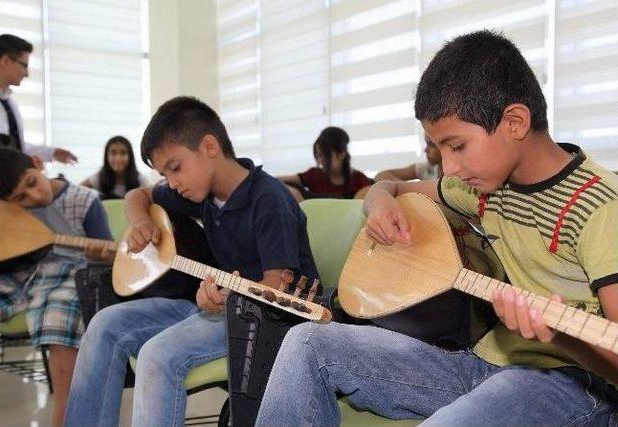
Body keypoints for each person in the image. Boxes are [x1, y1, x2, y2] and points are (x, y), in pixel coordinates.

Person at [255, 30, 618, 426]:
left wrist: (559, 334)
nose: (449, 167)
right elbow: (390, 185)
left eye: (457, 146)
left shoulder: (600, 208)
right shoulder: (486, 188)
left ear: (514, 121)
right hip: (485, 360)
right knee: (308, 342)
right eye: (439, 148)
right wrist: (379, 203)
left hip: (574, 383)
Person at [65, 96, 319, 427]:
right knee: (103, 325)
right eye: (165, 174)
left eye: (175, 168)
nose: (172, 183)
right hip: (213, 308)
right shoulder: (205, 194)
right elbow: (137, 195)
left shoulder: (270, 201)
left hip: (264, 322)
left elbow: (275, 289)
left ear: (209, 146)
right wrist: (141, 222)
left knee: (156, 355)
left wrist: (227, 299)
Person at [0, 147, 113, 427]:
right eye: (20, 199)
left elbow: (112, 255)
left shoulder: (84, 200)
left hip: (71, 271)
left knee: (57, 315)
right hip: (18, 272)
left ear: (38, 163)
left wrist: (102, 254)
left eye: (31, 183)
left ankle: (64, 418)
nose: (35, 197)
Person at [0, 34, 77, 163]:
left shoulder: (8, 101)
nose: (27, 73)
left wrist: (51, 153)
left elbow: (16, 146)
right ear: (5, 61)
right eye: (24, 65)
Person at [279, 126, 373, 201]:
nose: (320, 160)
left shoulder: (359, 180)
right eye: (318, 155)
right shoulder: (314, 175)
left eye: (325, 155)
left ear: (341, 154)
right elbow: (276, 180)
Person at [80, 135, 150, 199]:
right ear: (106, 157)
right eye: (113, 153)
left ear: (130, 157)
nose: (118, 158)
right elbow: (77, 192)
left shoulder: (141, 181)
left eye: (123, 153)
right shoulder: (98, 178)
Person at [374, 135, 443, 182]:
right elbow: (381, 176)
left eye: (431, 145)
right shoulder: (426, 168)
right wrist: (407, 188)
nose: (425, 150)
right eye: (426, 143)